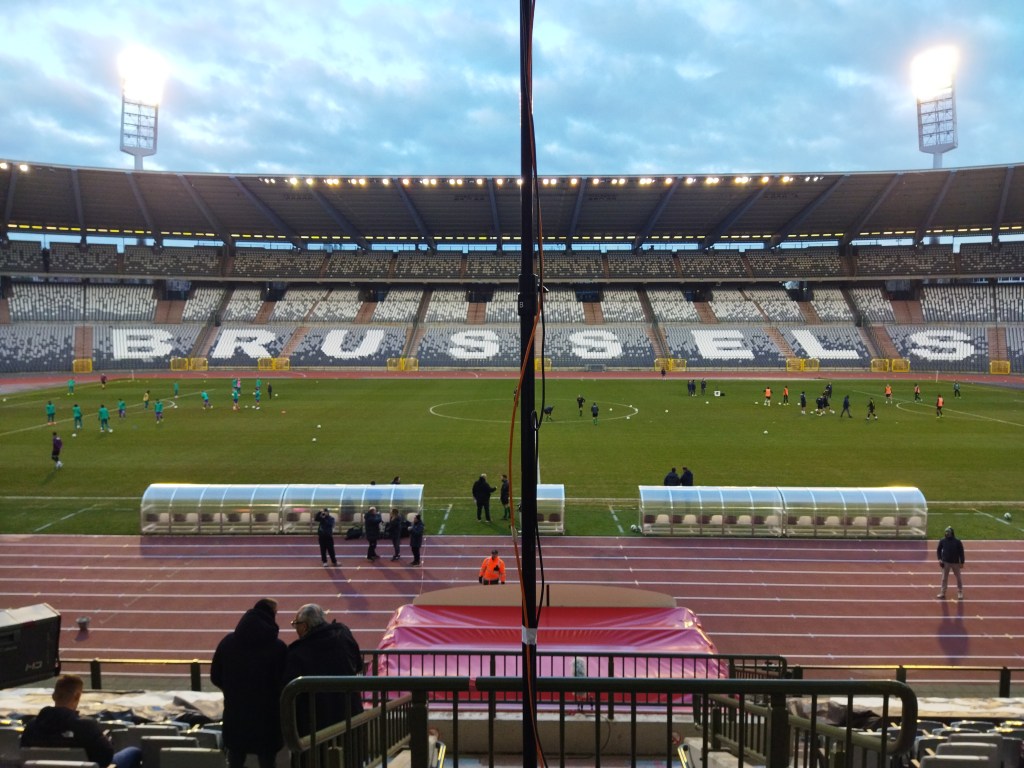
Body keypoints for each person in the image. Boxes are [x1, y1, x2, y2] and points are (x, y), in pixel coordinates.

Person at [211, 598, 287, 768]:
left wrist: (231, 690)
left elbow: (215, 676)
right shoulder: (278, 648)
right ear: (271, 615)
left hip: (236, 714)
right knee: (268, 761)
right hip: (267, 717)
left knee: (235, 759)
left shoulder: (227, 642)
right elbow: (285, 681)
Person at [20, 674, 142, 768]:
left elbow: (24, 754)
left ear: (54, 696)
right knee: (134, 752)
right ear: (77, 696)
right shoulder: (86, 726)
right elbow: (106, 758)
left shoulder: (31, 727)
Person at [283, 604, 364, 737]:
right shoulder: (343, 635)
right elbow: (358, 665)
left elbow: (290, 691)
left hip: (317, 722)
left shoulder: (298, 652)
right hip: (350, 712)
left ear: (304, 626)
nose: (295, 628)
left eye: (296, 624)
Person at [936, 526, 965, 600]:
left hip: (955, 563)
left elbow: (961, 552)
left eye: (948, 532)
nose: (947, 533)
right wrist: (939, 559)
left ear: (951, 533)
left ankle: (960, 592)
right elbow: (938, 550)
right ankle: (943, 592)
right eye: (946, 532)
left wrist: (962, 562)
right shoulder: (942, 540)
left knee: (958, 578)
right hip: (946, 563)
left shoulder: (957, 541)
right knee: (944, 579)